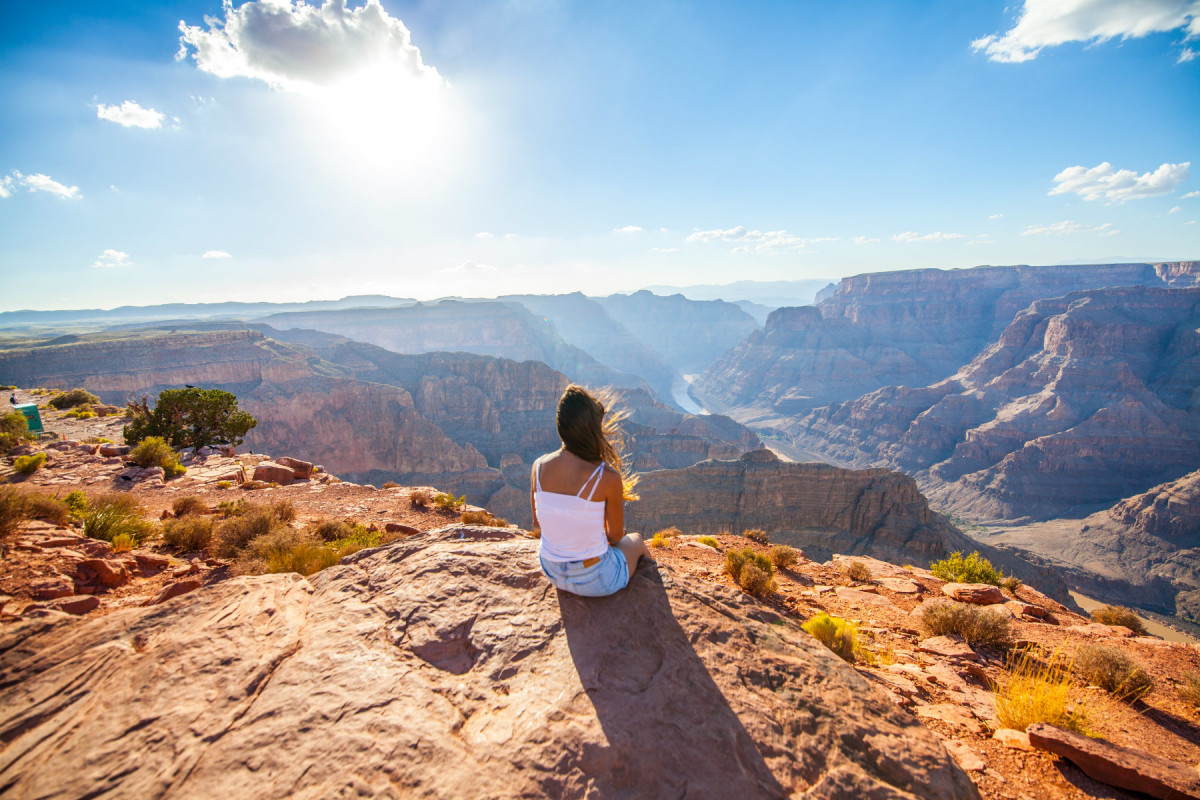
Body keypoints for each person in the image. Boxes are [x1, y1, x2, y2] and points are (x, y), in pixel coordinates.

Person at [531, 384, 652, 597]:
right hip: (596, 579)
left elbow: (538, 523)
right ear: (593, 429)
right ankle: (655, 591)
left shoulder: (538, 467)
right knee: (637, 540)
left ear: (560, 426)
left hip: (552, 570)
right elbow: (615, 536)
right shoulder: (607, 476)